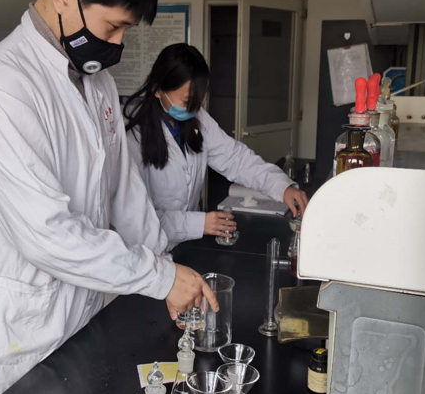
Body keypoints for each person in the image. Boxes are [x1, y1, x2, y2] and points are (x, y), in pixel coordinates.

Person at [0, 0, 218, 394]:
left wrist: (164, 267)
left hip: (85, 308)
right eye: (113, 27)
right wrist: (158, 276)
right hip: (24, 327)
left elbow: (124, 192)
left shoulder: (96, 83)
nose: (117, 43)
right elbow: (46, 234)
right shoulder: (1, 86)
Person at [124, 43, 309, 250]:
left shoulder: (199, 120)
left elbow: (236, 159)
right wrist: (198, 224)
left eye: (198, 101)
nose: (193, 109)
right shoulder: (133, 142)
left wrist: (281, 186)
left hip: (187, 245)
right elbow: (137, 219)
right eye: (187, 101)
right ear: (157, 90)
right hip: (149, 251)